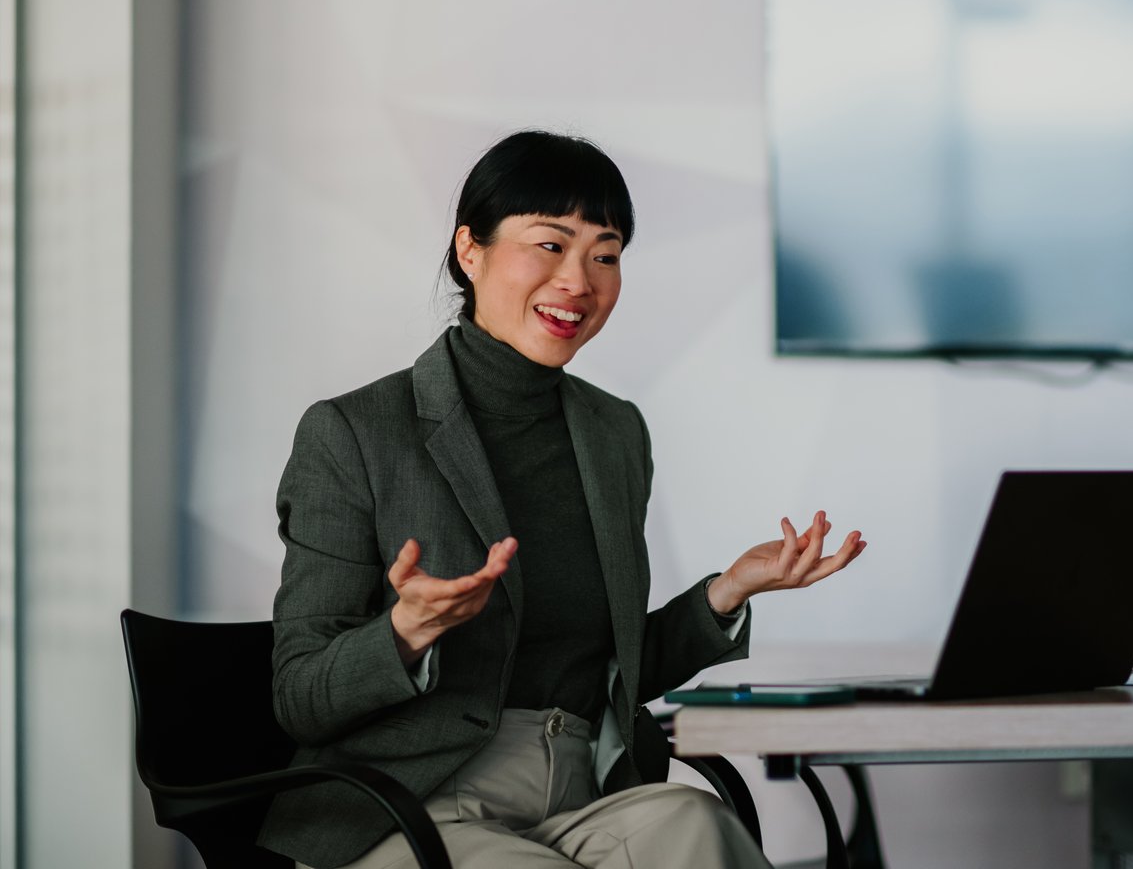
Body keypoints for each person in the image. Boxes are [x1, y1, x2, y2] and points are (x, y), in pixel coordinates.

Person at [258, 131, 865, 868]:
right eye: (550, 245)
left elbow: (607, 669)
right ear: (469, 250)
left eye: (605, 255)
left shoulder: (614, 432)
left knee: (699, 828)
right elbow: (299, 694)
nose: (580, 281)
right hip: (405, 805)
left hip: (582, 793)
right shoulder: (353, 432)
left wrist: (727, 594)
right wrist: (404, 633)